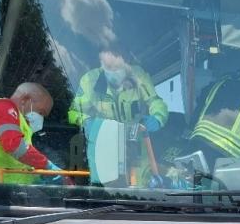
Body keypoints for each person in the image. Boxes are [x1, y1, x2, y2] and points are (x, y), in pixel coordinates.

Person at [68, 49, 169, 186]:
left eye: (118, 67)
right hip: (104, 147)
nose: (114, 71)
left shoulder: (138, 75)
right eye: (109, 67)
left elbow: (155, 101)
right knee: (106, 192)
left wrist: (157, 118)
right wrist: (86, 122)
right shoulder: (89, 81)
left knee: (141, 193)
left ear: (126, 62)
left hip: (137, 145)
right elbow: (74, 112)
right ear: (101, 64)